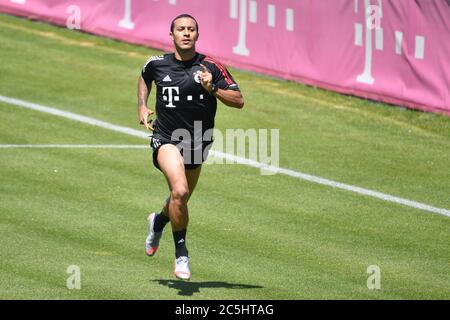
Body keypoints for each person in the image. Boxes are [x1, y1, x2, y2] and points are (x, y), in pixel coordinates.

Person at [137, 14, 244, 280]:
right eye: (181, 29)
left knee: (179, 199)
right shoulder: (157, 63)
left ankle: (158, 222)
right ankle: (181, 254)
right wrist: (141, 104)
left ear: (197, 35)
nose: (186, 33)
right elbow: (143, 78)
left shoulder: (211, 66)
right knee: (180, 190)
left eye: (191, 29)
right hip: (166, 137)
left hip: (198, 140)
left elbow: (239, 100)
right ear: (171, 35)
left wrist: (213, 89)